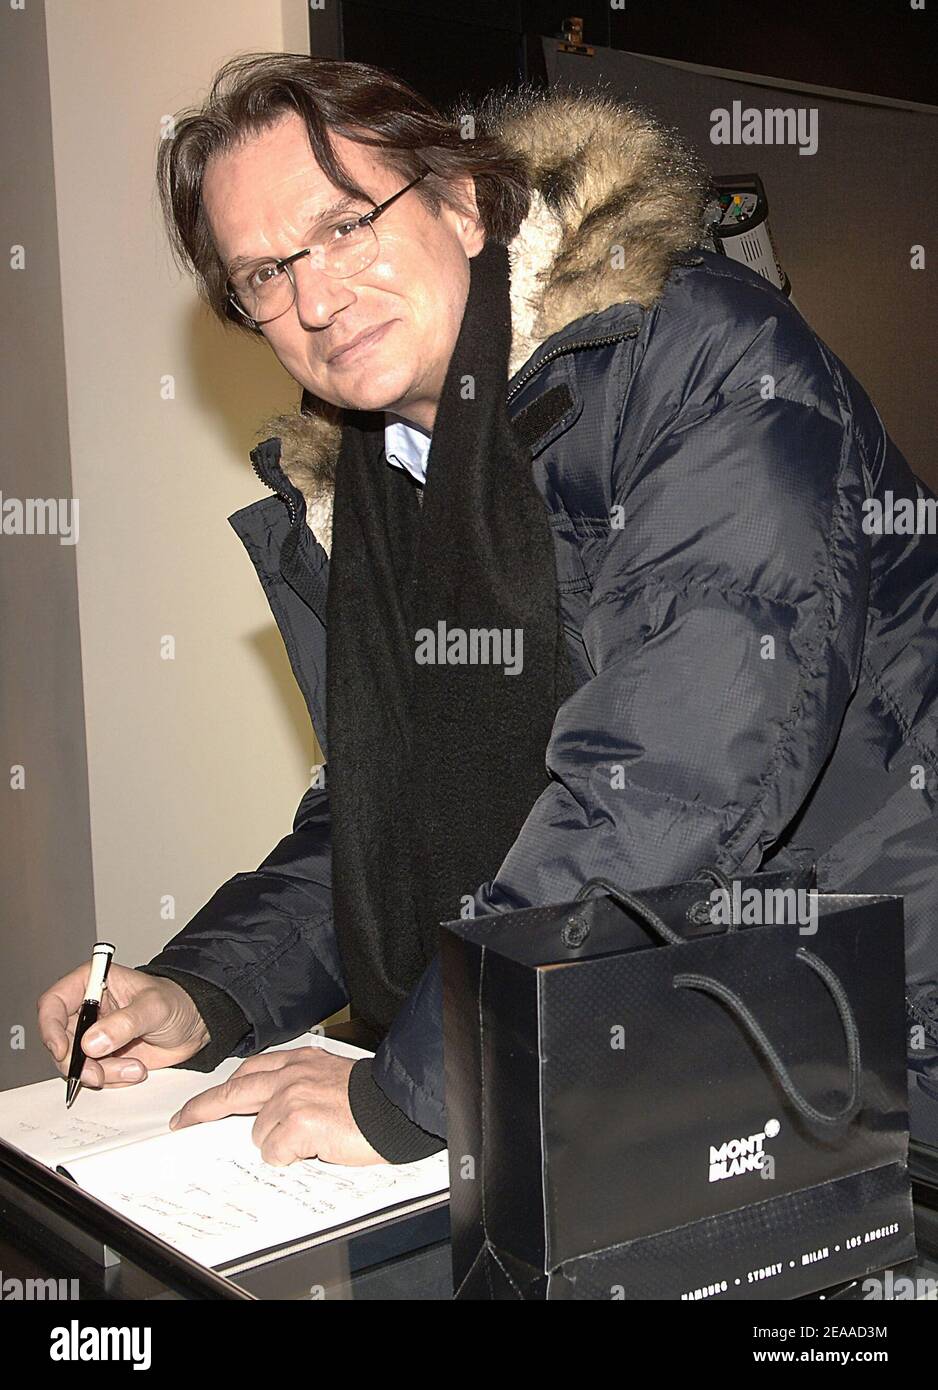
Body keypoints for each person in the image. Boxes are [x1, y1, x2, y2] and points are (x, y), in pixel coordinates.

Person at [38, 54, 938, 1166]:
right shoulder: (377, 489)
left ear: (464, 202)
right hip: (678, 1043)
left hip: (891, 1029)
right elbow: (388, 818)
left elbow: (671, 778)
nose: (315, 297)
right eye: (263, 273)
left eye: (344, 226)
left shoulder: (701, 359)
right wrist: (205, 988)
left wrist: (424, 1089)